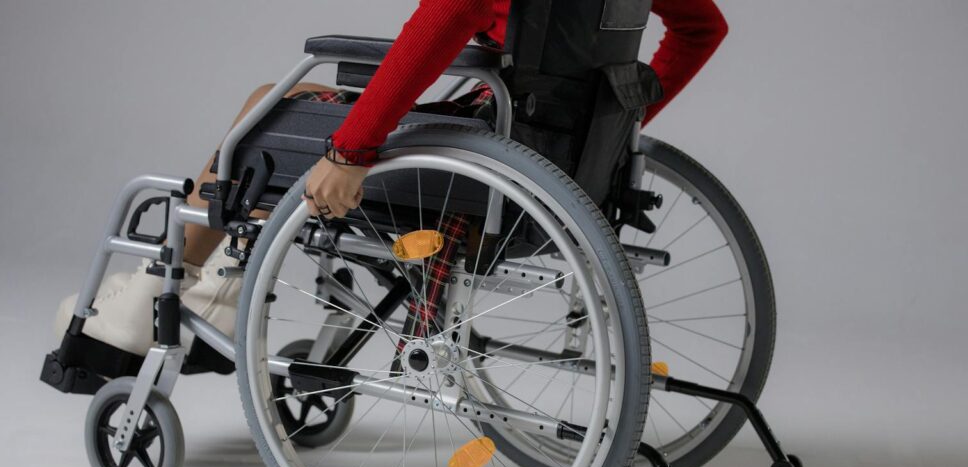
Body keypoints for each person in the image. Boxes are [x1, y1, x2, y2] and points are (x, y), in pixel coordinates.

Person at [55, 0, 728, 356]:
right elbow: (703, 26)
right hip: (555, 169)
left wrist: (351, 152)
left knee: (268, 102)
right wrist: (613, 123)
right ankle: (220, 284)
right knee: (291, 109)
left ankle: (168, 288)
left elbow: (443, 20)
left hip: (483, 164)